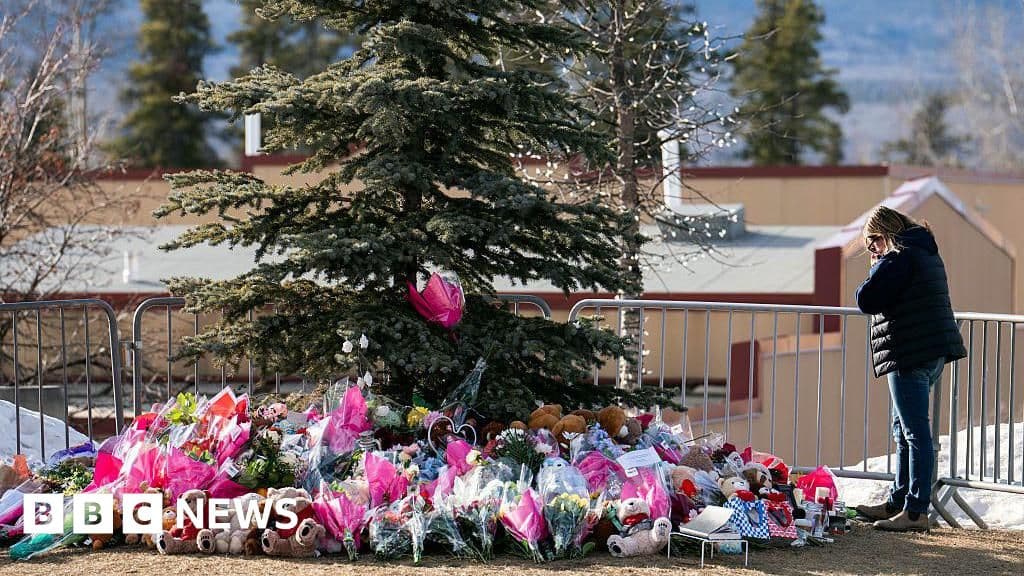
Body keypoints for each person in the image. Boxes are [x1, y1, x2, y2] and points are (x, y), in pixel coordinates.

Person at [853, 206, 966, 532]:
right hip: (930, 353)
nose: (872, 249)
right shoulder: (924, 250)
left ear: (885, 232)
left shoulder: (898, 257)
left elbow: (865, 299)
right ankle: (897, 502)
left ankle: (914, 511)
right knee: (903, 431)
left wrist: (876, 266)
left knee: (915, 434)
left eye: (872, 241)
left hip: (909, 353)